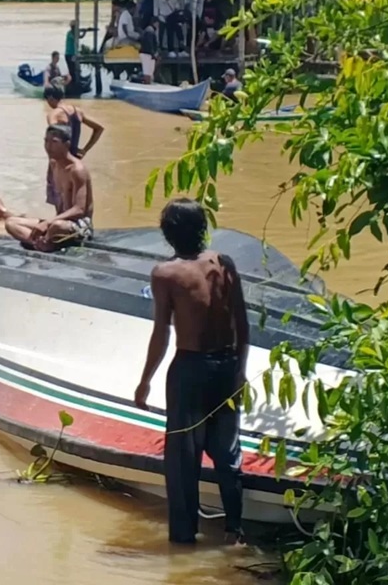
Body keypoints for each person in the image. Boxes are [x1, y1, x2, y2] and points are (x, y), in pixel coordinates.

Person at [132, 198, 249, 545]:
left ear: (168, 235)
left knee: (183, 459)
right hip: (227, 365)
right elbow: (242, 325)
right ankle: (234, 531)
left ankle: (184, 540)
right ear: (202, 229)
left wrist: (145, 382)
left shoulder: (165, 274)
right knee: (227, 452)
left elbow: (161, 333)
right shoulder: (224, 264)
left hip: (190, 369)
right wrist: (239, 374)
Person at [5, 125, 93, 252]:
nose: (48, 146)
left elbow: (79, 209)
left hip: (79, 226)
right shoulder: (54, 165)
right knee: (11, 223)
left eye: (54, 142)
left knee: (56, 227)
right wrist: (47, 223)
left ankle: (44, 241)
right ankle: (41, 243)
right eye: (46, 141)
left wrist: (49, 223)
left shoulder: (77, 170)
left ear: (67, 144)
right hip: (58, 221)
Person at [43, 85, 104, 212]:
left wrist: (52, 164)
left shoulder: (54, 114)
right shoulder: (77, 111)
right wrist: (85, 150)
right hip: (75, 159)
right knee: (74, 200)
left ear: (50, 98)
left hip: (60, 161)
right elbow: (99, 128)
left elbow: (54, 137)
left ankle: (59, 227)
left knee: (60, 201)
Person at [139, 18, 160, 83]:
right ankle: (147, 83)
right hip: (147, 54)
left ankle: (148, 82)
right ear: (155, 23)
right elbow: (149, 43)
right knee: (147, 72)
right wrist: (153, 54)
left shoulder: (149, 30)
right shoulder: (150, 31)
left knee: (149, 71)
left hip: (148, 53)